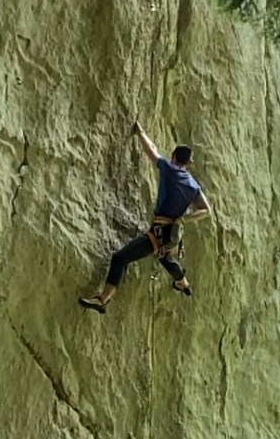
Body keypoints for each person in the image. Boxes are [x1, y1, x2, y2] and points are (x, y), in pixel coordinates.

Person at [79, 119, 211, 314]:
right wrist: (183, 219)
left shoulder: (168, 168)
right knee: (164, 255)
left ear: (173, 156)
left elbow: (151, 150)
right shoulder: (193, 186)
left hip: (159, 232)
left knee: (120, 258)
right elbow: (206, 210)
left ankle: (103, 299)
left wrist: (140, 132)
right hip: (172, 234)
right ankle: (183, 283)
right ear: (189, 163)